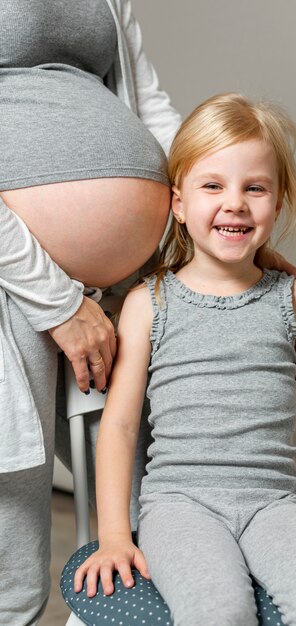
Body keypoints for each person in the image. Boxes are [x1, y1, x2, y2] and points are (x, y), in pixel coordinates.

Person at [74, 93, 296, 626]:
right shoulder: (148, 303)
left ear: (277, 203)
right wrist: (115, 533)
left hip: (275, 502)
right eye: (213, 186)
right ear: (179, 204)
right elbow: (119, 425)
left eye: (255, 187)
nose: (235, 202)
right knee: (219, 613)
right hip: (179, 506)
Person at [0, 1, 182, 624]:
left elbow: (150, 105)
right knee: (10, 538)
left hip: (122, 285)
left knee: (144, 504)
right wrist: (55, 298)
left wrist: (208, 217)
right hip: (12, 276)